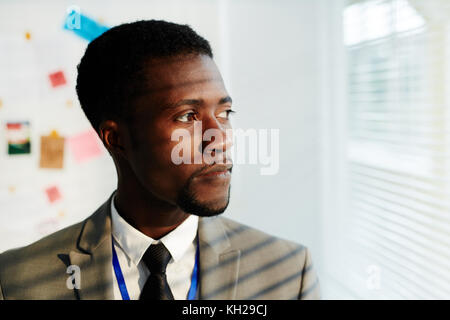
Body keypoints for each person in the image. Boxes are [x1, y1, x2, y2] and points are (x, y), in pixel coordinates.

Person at [0, 20, 320, 300]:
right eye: (187, 116)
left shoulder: (288, 273)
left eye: (225, 113)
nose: (221, 138)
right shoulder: (16, 281)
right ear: (116, 138)